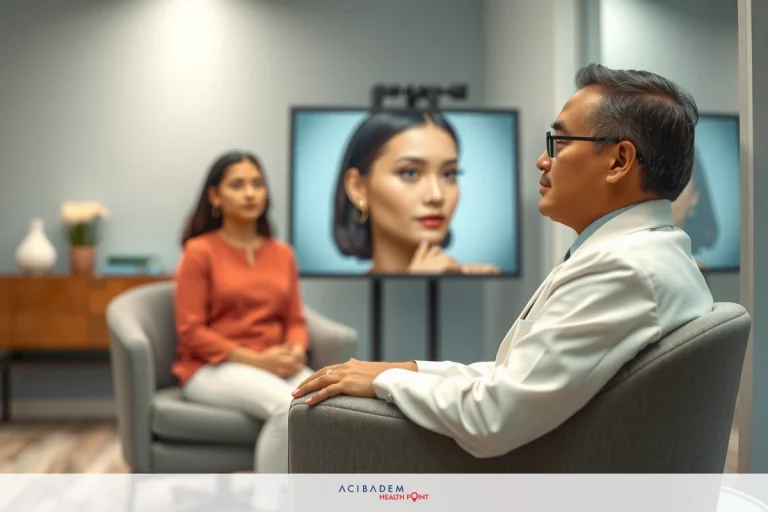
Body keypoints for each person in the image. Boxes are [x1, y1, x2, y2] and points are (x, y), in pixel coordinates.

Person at [293, 64, 715, 458]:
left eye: (561, 142)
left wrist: (386, 382)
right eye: (410, 172)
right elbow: (517, 379)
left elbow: (491, 418)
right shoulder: (652, 252)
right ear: (356, 187)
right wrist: (410, 369)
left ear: (619, 161)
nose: (543, 160)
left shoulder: (621, 270)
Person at [173, 150, 311, 473]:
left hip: (275, 362)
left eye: (257, 184)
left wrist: (295, 349)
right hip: (209, 368)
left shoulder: (283, 254)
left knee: (327, 406)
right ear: (215, 196)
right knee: (287, 408)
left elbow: (295, 319)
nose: (250, 193)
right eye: (237, 185)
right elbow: (190, 332)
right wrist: (259, 360)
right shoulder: (199, 252)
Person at [332, 109, 499, 275]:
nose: (436, 196)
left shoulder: (478, 285)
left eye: (449, 174)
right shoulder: (338, 300)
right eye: (410, 173)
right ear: (358, 188)